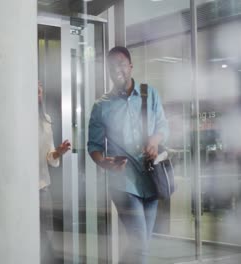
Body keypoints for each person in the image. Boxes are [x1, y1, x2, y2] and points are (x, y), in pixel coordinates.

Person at [87, 46, 169, 264]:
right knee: (140, 245)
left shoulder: (149, 93)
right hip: (123, 184)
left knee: (139, 246)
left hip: (151, 180)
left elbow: (163, 126)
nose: (117, 69)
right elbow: (93, 146)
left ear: (131, 66)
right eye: (112, 66)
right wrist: (103, 162)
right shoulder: (101, 106)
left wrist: (154, 140)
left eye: (122, 64)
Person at [38, 81, 71, 264]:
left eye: (40, 92)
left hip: (42, 186)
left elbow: (49, 157)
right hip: (21, 188)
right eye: (34, 91)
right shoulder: (16, 120)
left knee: (46, 233)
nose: (38, 95)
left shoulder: (46, 120)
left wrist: (58, 152)